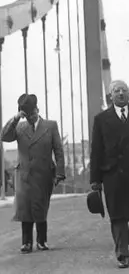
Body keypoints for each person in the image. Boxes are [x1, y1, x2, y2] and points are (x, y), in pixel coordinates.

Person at [90, 80, 129, 268]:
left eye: (123, 90)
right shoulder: (101, 119)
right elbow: (97, 150)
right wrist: (95, 179)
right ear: (110, 96)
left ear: (128, 94)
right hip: (113, 173)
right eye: (116, 91)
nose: (120, 94)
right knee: (117, 216)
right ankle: (122, 254)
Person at [1, 94, 65, 254]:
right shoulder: (20, 127)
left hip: (44, 173)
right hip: (23, 174)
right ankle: (26, 243)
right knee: (25, 207)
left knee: (40, 206)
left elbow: (58, 150)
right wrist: (16, 118)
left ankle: (41, 241)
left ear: (38, 110)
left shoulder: (50, 126)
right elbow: (4, 136)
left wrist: (60, 172)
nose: (31, 117)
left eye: (33, 113)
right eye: (27, 115)